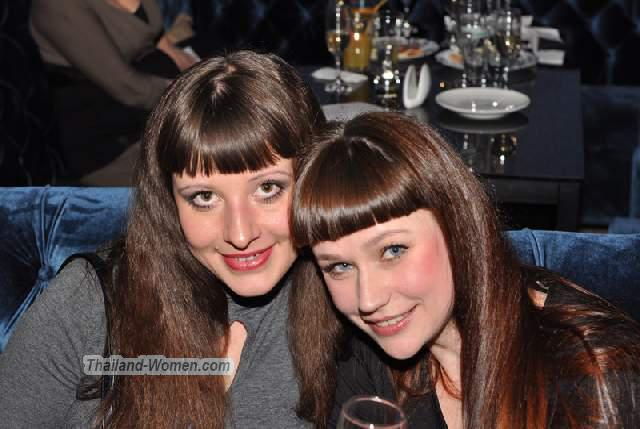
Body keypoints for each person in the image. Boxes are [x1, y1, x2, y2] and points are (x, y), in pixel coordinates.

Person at [0, 51, 326, 428]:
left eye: (268, 188)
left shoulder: (350, 292)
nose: (240, 234)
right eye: (204, 197)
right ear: (170, 202)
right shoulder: (90, 300)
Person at [290, 112, 640, 428]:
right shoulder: (365, 357)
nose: (368, 299)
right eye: (340, 266)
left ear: (457, 227)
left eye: (393, 251)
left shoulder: (590, 377)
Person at [30, 0, 200, 177]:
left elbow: (154, 33)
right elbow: (128, 88)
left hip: (146, 107)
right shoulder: (58, 6)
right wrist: (200, 93)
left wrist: (177, 53)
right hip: (106, 137)